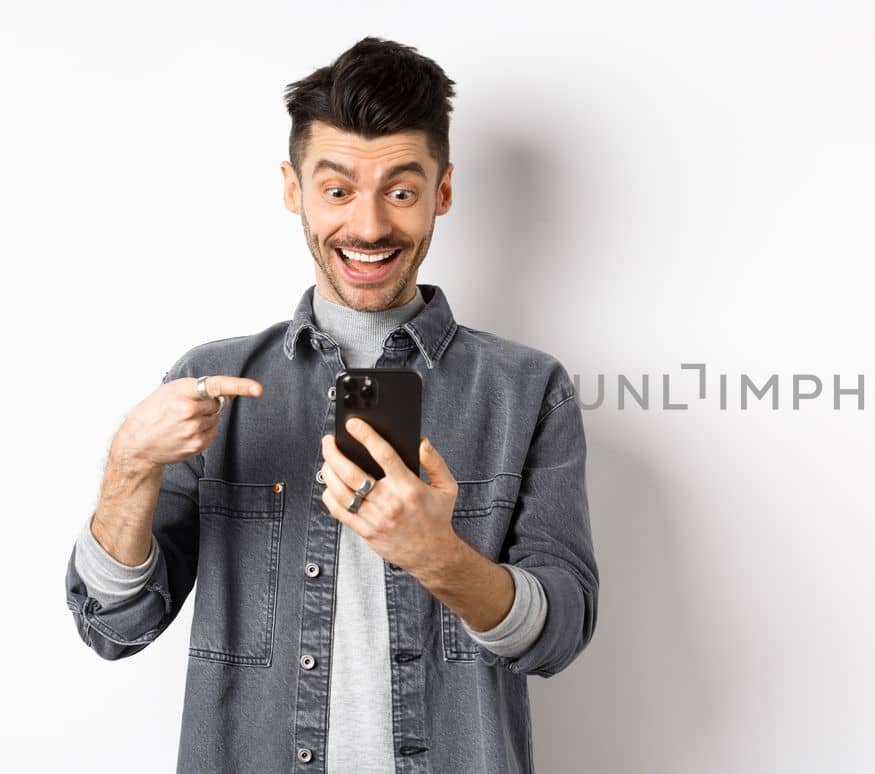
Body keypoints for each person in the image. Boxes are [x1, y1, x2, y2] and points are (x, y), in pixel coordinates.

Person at [62, 36, 599, 773]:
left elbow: (561, 632)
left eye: (402, 192)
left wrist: (440, 559)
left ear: (443, 191)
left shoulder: (528, 389)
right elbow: (115, 628)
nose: (371, 227)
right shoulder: (210, 381)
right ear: (294, 189)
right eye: (338, 189)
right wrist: (127, 468)